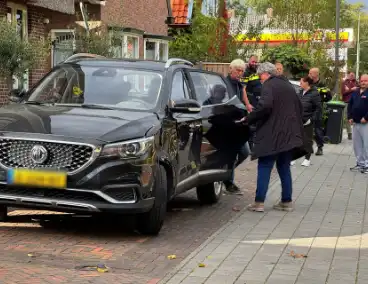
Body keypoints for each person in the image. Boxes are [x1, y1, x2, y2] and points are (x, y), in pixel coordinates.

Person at [246, 62, 304, 212]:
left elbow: (265, 106)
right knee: (284, 166)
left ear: (266, 74)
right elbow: (299, 107)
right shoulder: (288, 85)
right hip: (289, 134)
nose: (260, 80)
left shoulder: (269, 85)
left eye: (260, 77)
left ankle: (259, 202)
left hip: (273, 134)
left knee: (265, 164)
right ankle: (286, 201)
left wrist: (250, 118)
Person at [223, 59, 252, 193]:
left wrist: (248, 107)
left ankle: (226, 174)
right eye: (237, 70)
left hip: (239, 124)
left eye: (242, 71)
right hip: (228, 124)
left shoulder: (239, 85)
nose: (240, 73)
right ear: (230, 69)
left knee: (244, 153)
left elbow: (244, 98)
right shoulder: (223, 83)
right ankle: (228, 182)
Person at [298, 75, 322, 167]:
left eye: (301, 82)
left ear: (307, 83)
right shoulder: (300, 92)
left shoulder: (314, 93)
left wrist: (311, 119)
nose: (300, 84)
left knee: (307, 140)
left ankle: (307, 159)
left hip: (308, 121)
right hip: (298, 120)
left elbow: (318, 108)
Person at [309, 67, 332, 156]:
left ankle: (320, 147)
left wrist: (321, 99)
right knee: (306, 128)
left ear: (316, 74)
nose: (309, 75)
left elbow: (329, 97)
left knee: (317, 129)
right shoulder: (308, 82)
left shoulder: (322, 84)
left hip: (318, 109)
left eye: (310, 73)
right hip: (308, 108)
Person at [348, 74, 368, 174]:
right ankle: (360, 164)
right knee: (357, 145)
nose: (363, 82)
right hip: (355, 123)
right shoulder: (355, 92)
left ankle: (366, 165)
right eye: (362, 80)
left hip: (366, 123)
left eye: (365, 81)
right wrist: (350, 117)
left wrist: (366, 118)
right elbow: (350, 105)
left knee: (366, 145)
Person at [341, 71, 359, 140]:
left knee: (356, 117)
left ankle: (356, 132)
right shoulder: (344, 83)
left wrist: (349, 90)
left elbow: (359, 92)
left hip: (356, 102)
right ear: (348, 76)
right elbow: (343, 93)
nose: (352, 76)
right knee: (347, 118)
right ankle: (349, 133)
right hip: (347, 102)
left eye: (353, 75)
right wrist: (352, 89)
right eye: (350, 75)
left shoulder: (357, 83)